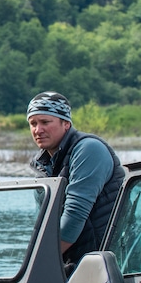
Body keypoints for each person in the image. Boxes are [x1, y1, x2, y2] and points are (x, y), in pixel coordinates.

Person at [26, 91, 125, 271]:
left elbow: (75, 215)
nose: (38, 130)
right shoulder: (42, 165)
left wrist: (38, 264)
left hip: (106, 264)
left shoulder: (89, 150)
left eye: (45, 122)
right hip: (76, 262)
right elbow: (42, 223)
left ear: (66, 123)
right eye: (33, 123)